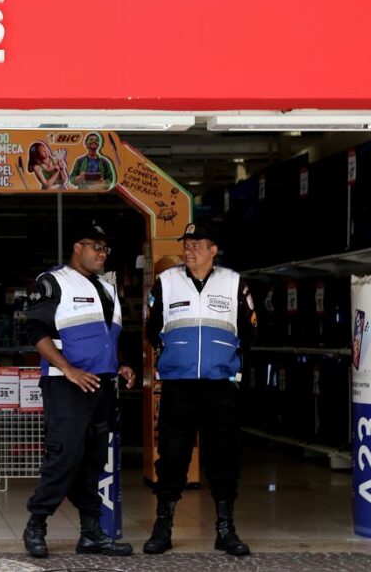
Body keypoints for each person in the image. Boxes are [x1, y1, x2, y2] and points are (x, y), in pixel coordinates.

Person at [143, 221, 257, 557]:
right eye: (186, 243)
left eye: (196, 244)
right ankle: (163, 526)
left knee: (223, 456)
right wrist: (175, 354)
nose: (188, 249)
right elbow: (152, 328)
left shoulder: (234, 283)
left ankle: (226, 528)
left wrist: (228, 364)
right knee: (172, 456)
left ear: (213, 250)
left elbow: (250, 332)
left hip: (220, 386)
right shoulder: (166, 282)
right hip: (179, 386)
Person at [22, 223, 136, 558]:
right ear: (77, 247)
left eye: (105, 248)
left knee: (94, 462)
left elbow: (108, 338)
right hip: (66, 386)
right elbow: (35, 332)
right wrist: (69, 369)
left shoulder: (108, 289)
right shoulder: (53, 282)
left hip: (102, 386)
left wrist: (121, 364)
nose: (102, 253)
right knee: (64, 457)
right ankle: (36, 524)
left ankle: (91, 533)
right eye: (95, 246)